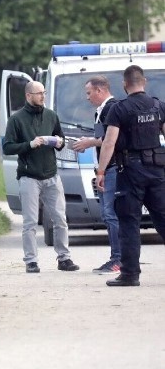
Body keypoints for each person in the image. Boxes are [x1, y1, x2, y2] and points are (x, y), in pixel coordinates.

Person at [95, 64, 165, 287]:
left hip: (130, 172)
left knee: (129, 223)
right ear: (144, 82)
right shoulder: (158, 106)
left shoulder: (120, 109)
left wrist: (101, 170)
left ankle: (129, 275)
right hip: (157, 171)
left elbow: (109, 142)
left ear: (125, 85)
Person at [2, 80, 80, 273]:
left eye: (44, 92)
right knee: (29, 222)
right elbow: (7, 147)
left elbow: (61, 141)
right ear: (29, 96)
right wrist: (30, 144)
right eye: (39, 93)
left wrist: (59, 142)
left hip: (52, 175)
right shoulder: (16, 119)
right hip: (29, 176)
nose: (43, 96)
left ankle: (64, 258)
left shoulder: (51, 116)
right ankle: (31, 261)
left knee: (60, 219)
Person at [72, 75, 121, 273]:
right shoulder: (101, 111)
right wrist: (90, 140)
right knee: (107, 214)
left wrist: (89, 142)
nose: (87, 97)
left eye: (89, 92)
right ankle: (117, 257)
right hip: (104, 169)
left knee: (111, 214)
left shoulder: (112, 108)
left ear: (99, 91)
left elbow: (113, 140)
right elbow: (103, 138)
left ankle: (118, 259)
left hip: (112, 169)